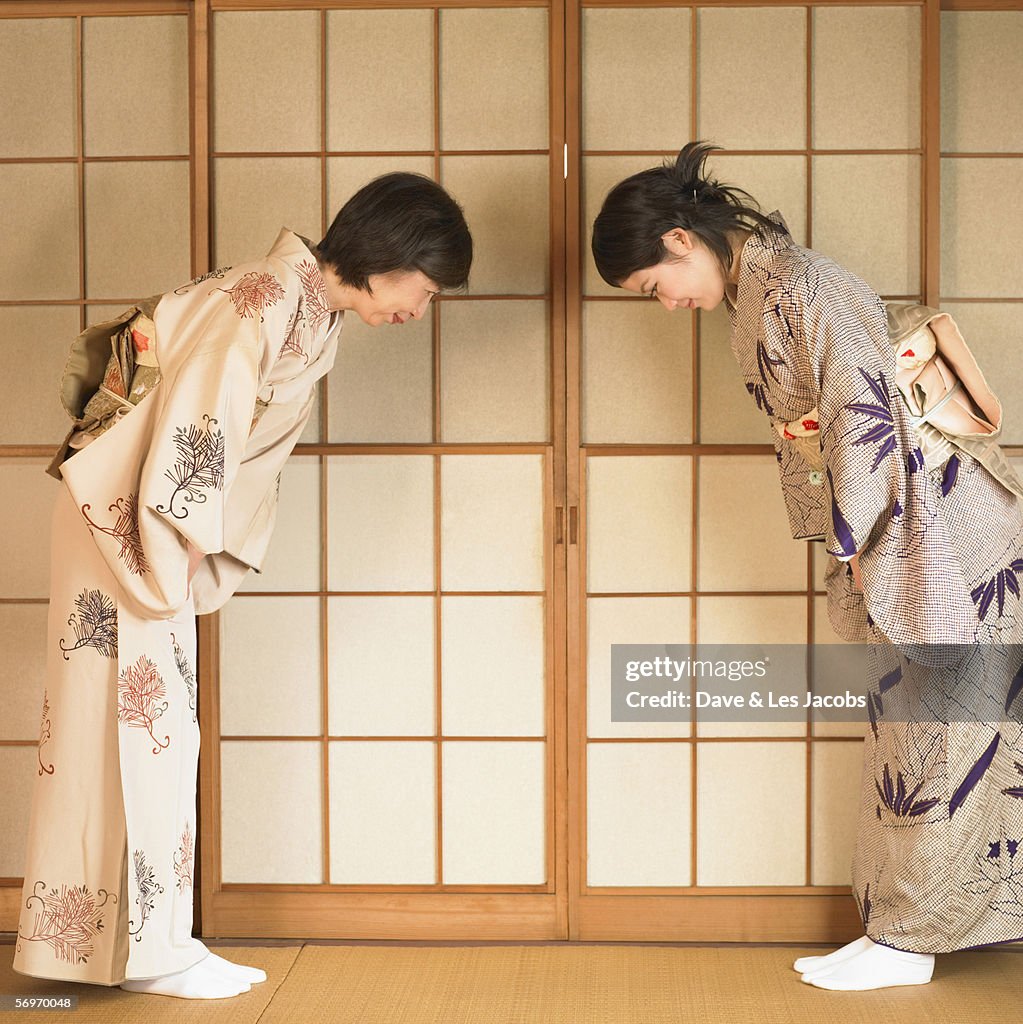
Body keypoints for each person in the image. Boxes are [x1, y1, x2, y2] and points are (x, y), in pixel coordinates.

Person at [13, 173, 472, 999]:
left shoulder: (307, 311)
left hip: (146, 526)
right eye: (423, 289)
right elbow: (199, 423)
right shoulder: (256, 302)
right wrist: (185, 539)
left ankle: (112, 948)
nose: (418, 309)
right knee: (139, 736)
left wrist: (192, 541)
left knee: (130, 734)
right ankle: (151, 952)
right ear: (389, 256)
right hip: (138, 526)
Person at [591, 141, 1023, 991]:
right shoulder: (765, 288)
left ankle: (908, 943)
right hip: (902, 522)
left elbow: (864, 422)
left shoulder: (802, 287)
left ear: (681, 239)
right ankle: (898, 928)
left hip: (937, 530)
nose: (666, 304)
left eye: (653, 286)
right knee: (912, 736)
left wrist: (859, 543)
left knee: (943, 739)